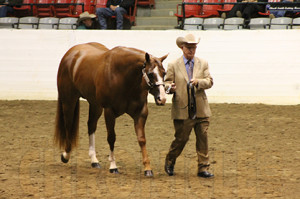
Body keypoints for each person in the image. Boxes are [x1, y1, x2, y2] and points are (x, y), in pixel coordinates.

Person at [164, 33, 214, 178]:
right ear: (182, 48)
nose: (191, 50)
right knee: (181, 139)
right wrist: (170, 88)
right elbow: (167, 83)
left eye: (194, 47)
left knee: (203, 138)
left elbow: (209, 81)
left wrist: (199, 82)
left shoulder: (203, 63)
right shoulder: (173, 65)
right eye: (188, 47)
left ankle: (203, 167)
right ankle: (170, 159)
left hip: (201, 109)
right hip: (182, 109)